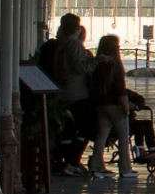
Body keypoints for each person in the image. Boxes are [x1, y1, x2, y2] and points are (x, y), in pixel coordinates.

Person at [47, 13, 95, 174]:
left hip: (64, 91)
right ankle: (72, 159)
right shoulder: (74, 44)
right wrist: (97, 61)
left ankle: (66, 159)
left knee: (70, 128)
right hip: (77, 93)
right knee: (86, 127)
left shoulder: (60, 43)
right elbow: (80, 67)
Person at [87, 33, 134, 177]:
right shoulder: (115, 65)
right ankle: (125, 167)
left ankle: (96, 166)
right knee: (123, 133)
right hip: (114, 105)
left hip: (100, 104)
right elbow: (121, 89)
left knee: (102, 134)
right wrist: (126, 108)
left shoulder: (97, 63)